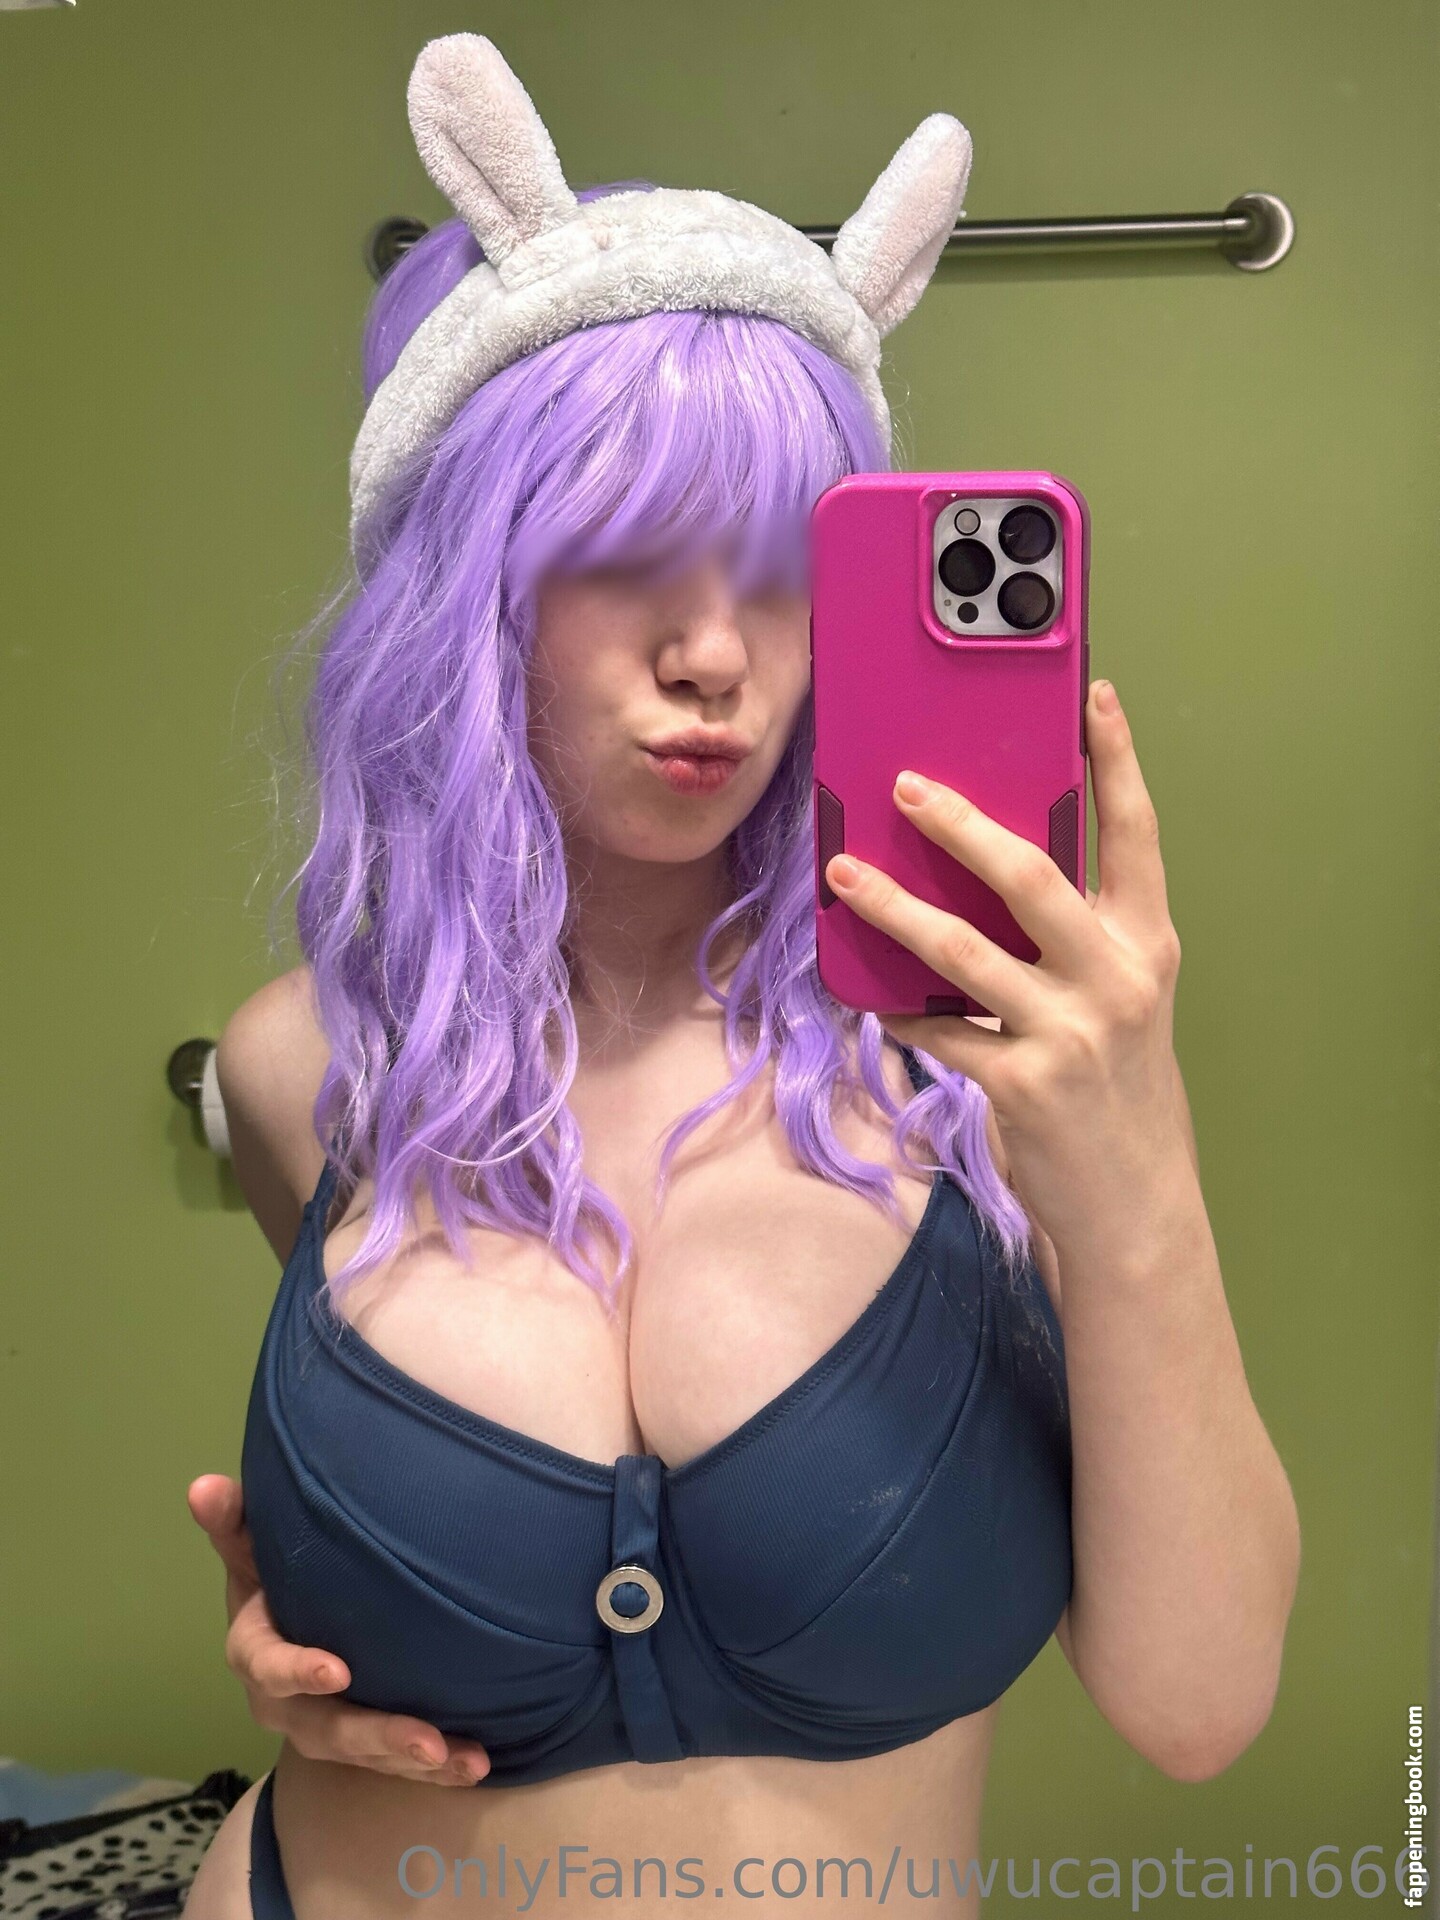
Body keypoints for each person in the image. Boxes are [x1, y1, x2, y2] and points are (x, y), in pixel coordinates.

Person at [181, 34, 1300, 1920]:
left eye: (787, 566)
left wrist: (1139, 1174)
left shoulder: (984, 1078)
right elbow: (383, 1560)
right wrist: (306, 1636)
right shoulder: (318, 1070)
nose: (715, 653)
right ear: (472, 588)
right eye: (626, 549)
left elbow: (1197, 1710)